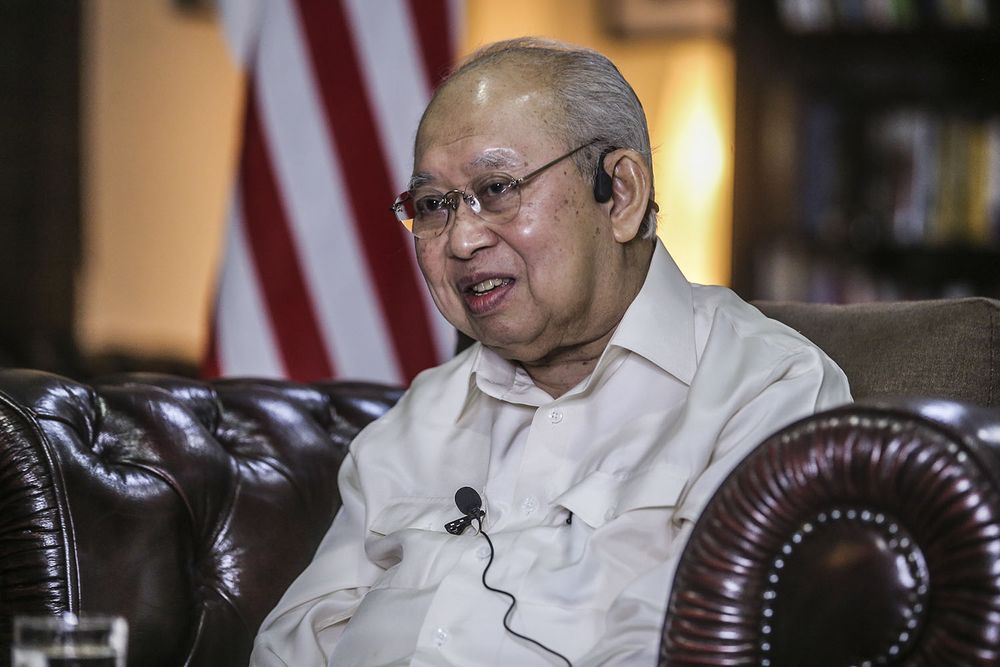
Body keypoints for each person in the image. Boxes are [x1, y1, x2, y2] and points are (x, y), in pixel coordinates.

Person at [250, 37, 851, 666]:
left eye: (497, 188)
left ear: (619, 194)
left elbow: (695, 650)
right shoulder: (417, 422)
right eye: (433, 206)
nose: (461, 239)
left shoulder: (766, 391)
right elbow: (290, 646)